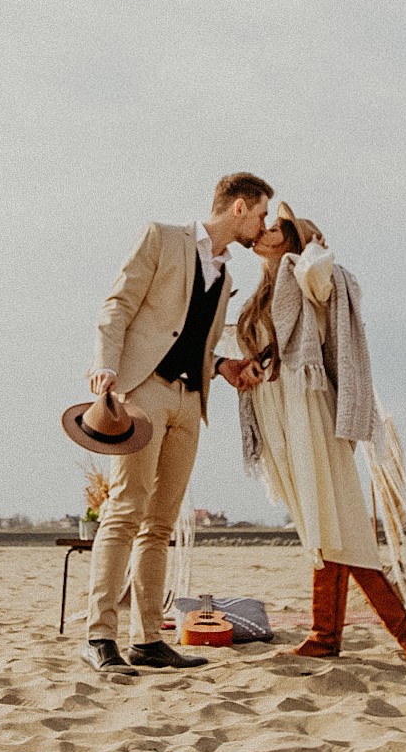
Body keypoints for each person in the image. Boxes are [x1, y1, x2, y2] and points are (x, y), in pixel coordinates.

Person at [80, 173, 273, 674]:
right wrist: (106, 364)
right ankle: (100, 636)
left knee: (160, 524)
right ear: (238, 207)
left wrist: (225, 366)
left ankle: (147, 639)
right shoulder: (162, 238)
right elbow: (117, 305)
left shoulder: (228, 276)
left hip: (191, 402)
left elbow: (197, 343)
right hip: (143, 389)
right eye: (261, 214)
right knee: (125, 510)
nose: (264, 225)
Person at [234, 206, 406, 661]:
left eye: (275, 229)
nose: (262, 233)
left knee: (337, 520)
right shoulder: (259, 295)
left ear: (293, 242)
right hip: (277, 410)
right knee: (323, 525)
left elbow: (321, 273)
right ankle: (339, 634)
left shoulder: (307, 279)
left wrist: (309, 239)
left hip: (310, 409)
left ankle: (392, 633)